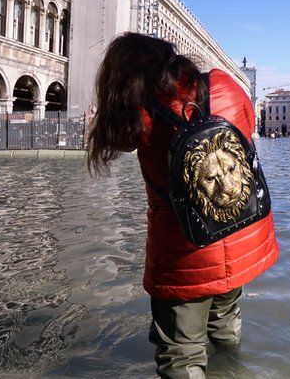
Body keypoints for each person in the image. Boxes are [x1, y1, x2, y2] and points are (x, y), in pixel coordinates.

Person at [86, 33, 279, 378]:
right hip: (240, 232)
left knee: (181, 354)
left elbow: (115, 141)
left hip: (184, 252)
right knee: (226, 326)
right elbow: (246, 130)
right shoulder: (224, 84)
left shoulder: (140, 113)